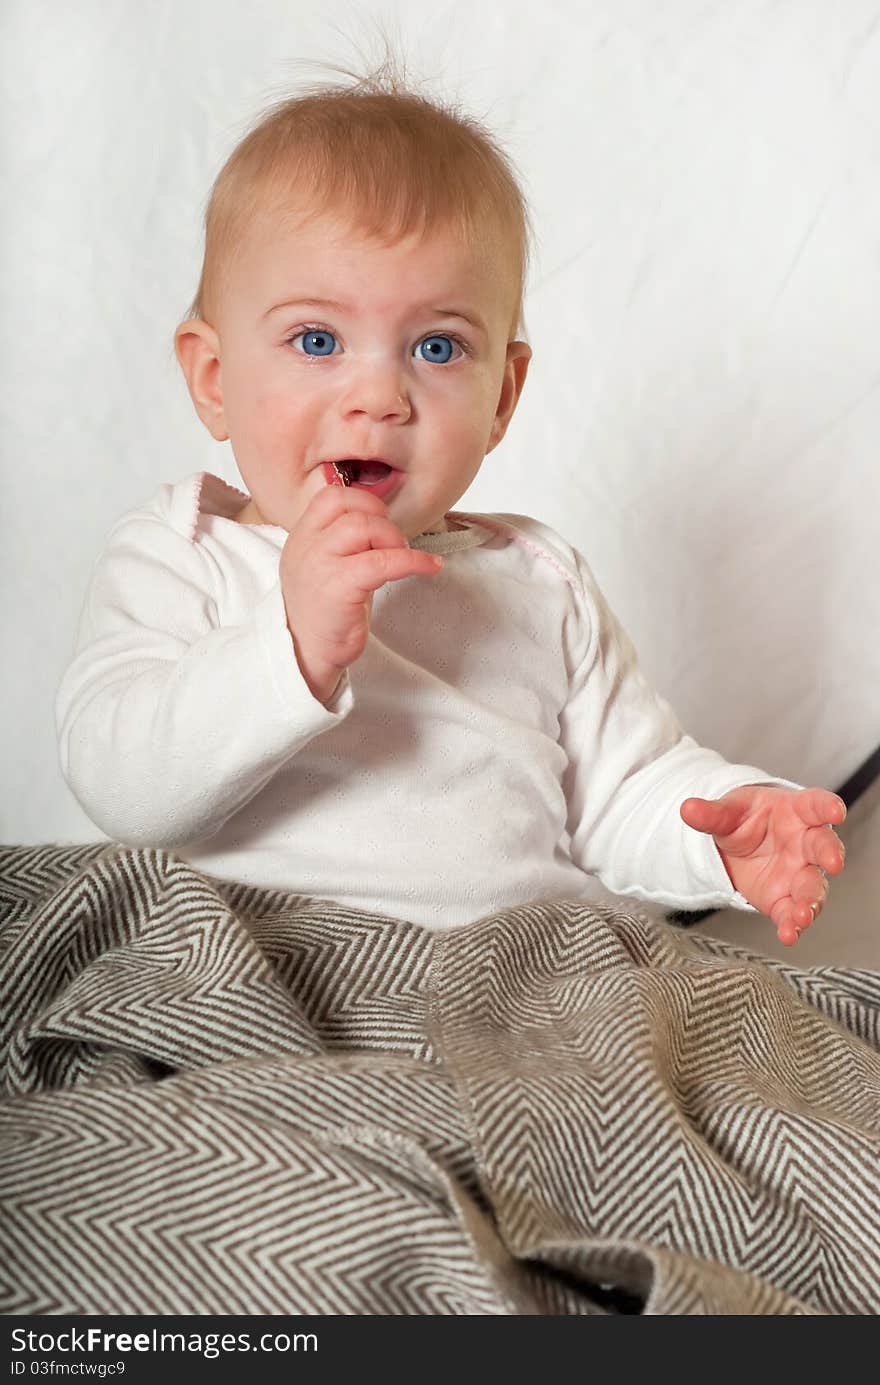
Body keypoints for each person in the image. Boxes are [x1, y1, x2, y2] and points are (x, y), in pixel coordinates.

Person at [56, 66, 846, 946]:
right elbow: (121, 785)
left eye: (437, 345)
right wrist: (288, 648)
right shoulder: (181, 555)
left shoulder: (537, 582)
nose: (380, 395)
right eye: (317, 340)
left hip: (516, 976)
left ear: (502, 398)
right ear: (213, 379)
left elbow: (623, 792)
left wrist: (724, 833)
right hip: (265, 966)